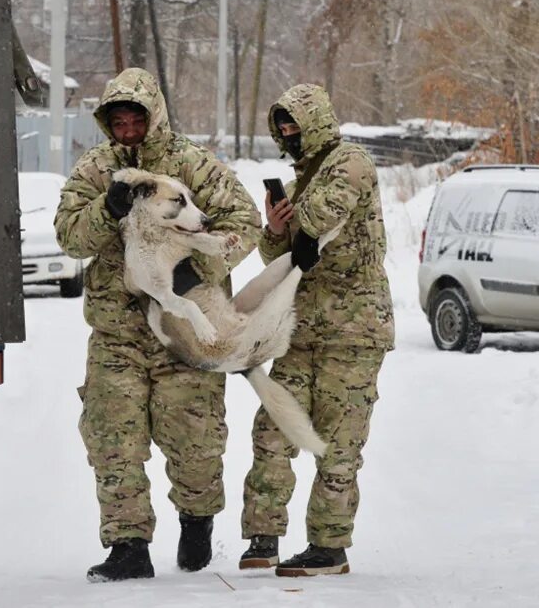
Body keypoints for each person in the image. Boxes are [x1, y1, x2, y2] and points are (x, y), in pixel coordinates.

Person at [54, 68, 261, 582]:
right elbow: (69, 237)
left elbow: (245, 223)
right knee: (112, 437)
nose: (127, 129)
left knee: (194, 441)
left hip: (183, 331)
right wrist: (107, 211)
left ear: (155, 117)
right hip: (117, 331)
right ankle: (128, 545)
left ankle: (196, 520)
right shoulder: (97, 171)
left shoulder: (193, 166)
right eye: (117, 120)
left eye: (135, 118)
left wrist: (197, 269)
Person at [238, 84, 394, 577]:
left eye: (296, 125)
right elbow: (280, 256)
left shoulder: (350, 162)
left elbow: (325, 216)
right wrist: (275, 227)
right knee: (273, 430)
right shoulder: (304, 177)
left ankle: (329, 547)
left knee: (338, 441)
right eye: (282, 127)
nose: (290, 134)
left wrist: (293, 220)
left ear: (317, 122)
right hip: (301, 328)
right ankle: (263, 537)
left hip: (352, 330)